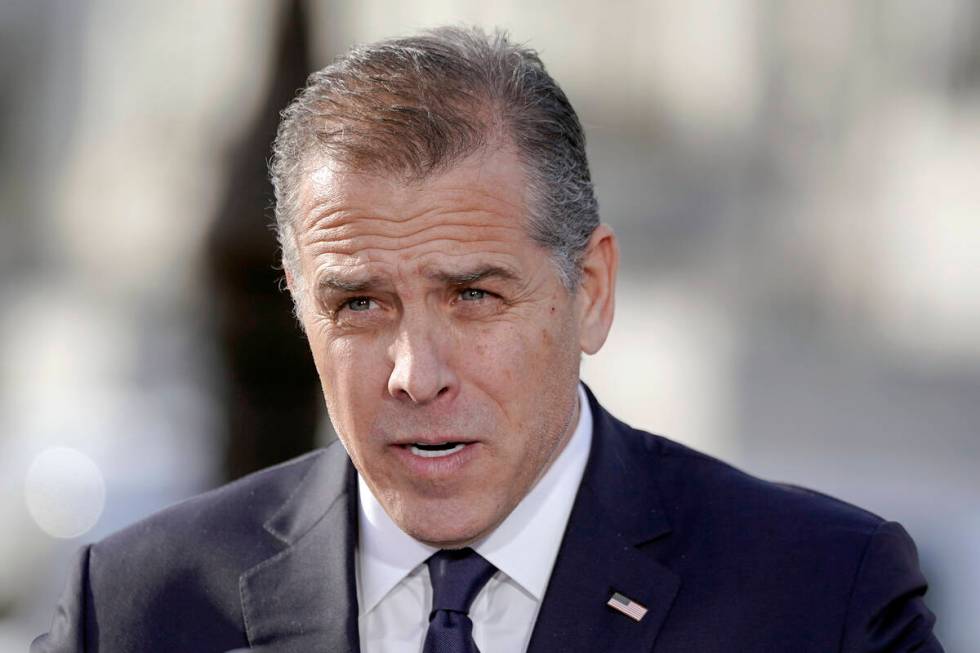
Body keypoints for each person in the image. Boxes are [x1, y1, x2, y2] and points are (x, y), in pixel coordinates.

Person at [33, 26, 942, 653]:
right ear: (299, 311)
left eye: (472, 295)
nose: (414, 373)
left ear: (589, 292)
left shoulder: (820, 599)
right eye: (358, 305)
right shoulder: (135, 611)